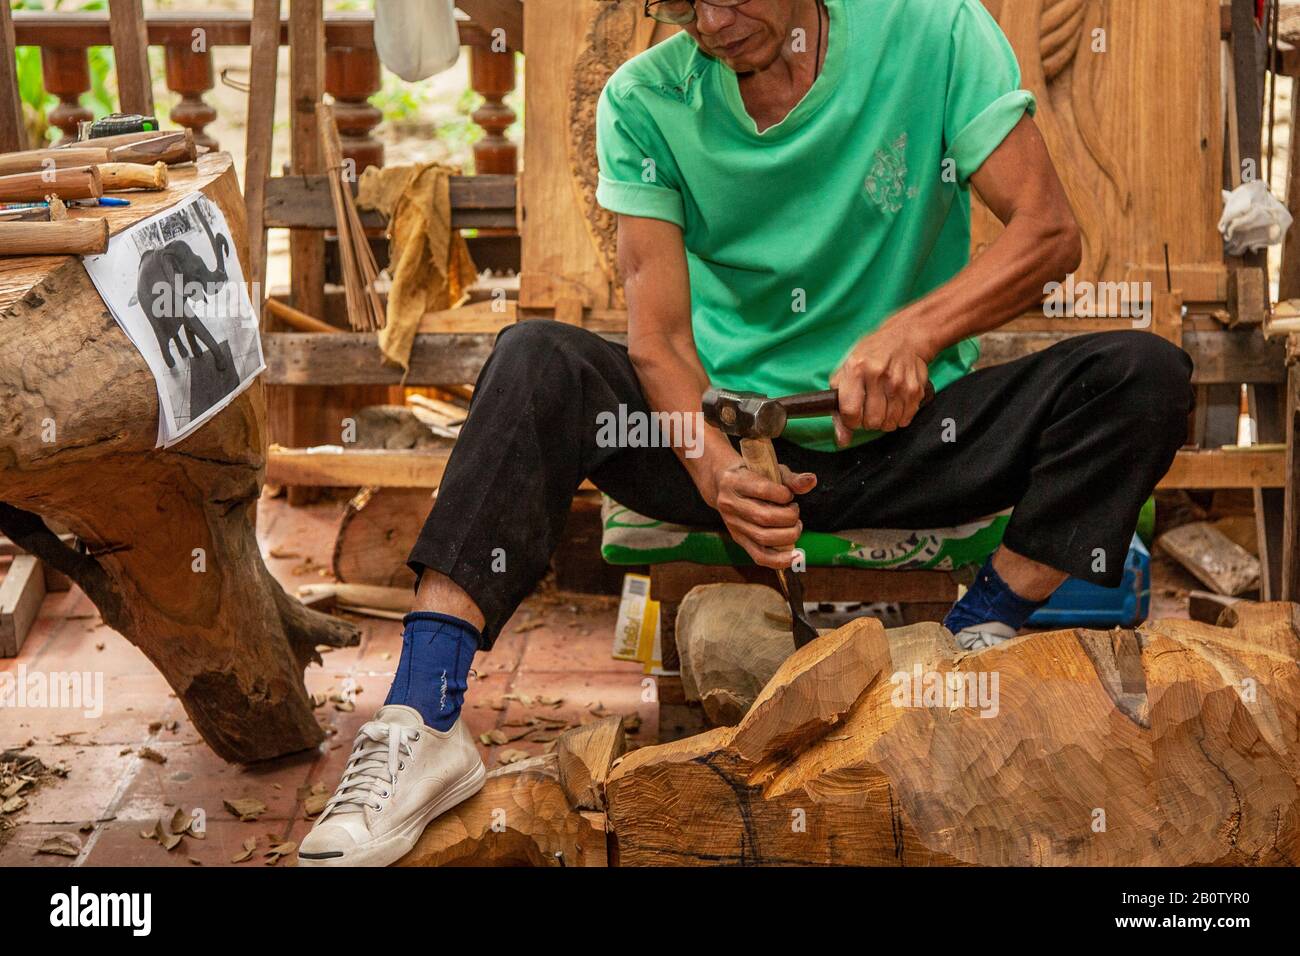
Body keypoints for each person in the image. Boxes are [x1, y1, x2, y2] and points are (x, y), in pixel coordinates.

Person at [298, 0, 1192, 867]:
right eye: (684, 4)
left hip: (918, 441)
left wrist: (915, 333)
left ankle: (978, 632)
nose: (714, 24)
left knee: (1143, 378)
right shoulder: (647, 99)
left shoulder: (936, 30)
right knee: (537, 360)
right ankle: (422, 718)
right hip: (726, 437)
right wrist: (718, 470)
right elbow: (660, 341)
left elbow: (1050, 232)